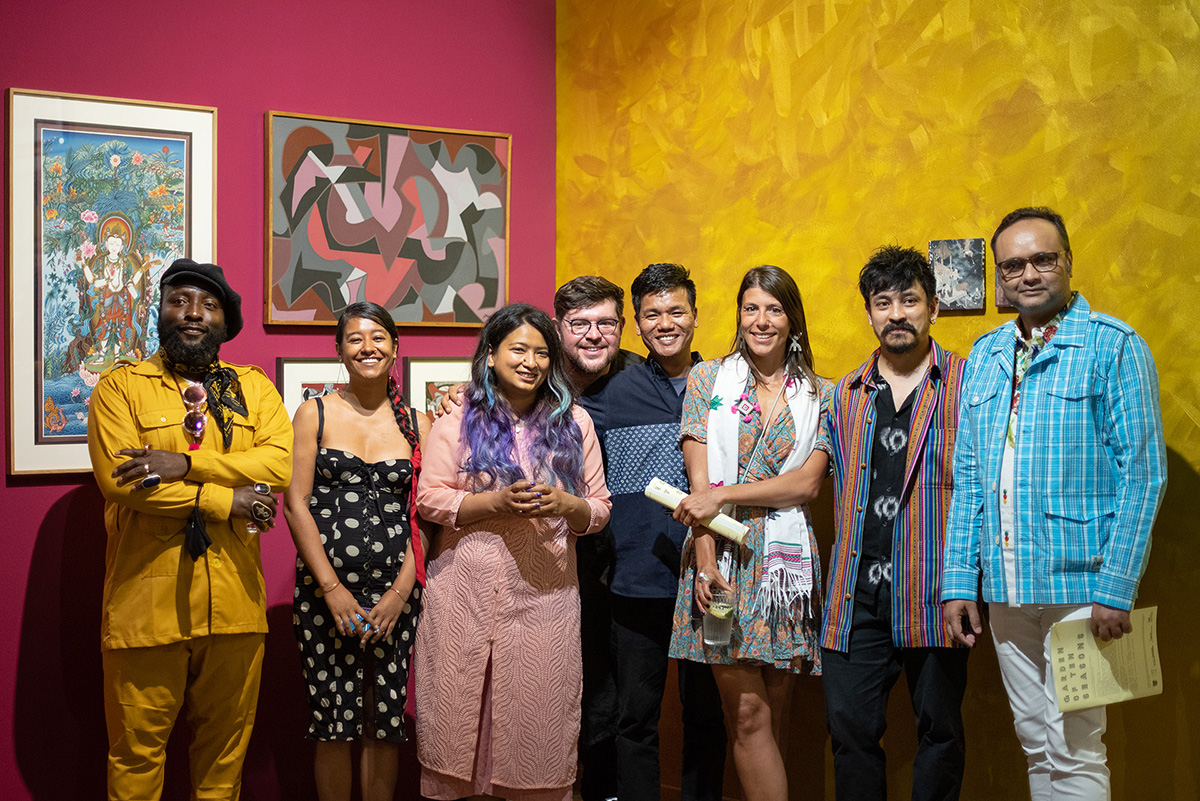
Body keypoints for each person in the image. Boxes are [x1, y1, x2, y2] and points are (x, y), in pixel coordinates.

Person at [942, 207, 1167, 800]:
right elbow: (968, 478)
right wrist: (960, 581)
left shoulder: (1113, 346)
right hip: (1008, 588)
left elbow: (1143, 475)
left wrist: (1115, 589)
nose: (1029, 274)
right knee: (1035, 740)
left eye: (1044, 259)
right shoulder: (987, 353)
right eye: (1013, 265)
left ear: (1068, 262)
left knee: (1076, 747)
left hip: (1081, 589)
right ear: (999, 277)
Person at [87, 258, 292, 800]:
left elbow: (277, 466)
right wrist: (229, 500)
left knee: (224, 766)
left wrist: (186, 465)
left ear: (226, 321)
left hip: (235, 610)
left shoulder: (254, 390)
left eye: (208, 304)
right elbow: (123, 484)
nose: (193, 314)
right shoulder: (120, 388)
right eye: (179, 300)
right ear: (160, 311)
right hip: (146, 607)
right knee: (135, 762)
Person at [436, 277, 642, 801]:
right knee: (464, 715)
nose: (530, 362)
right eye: (518, 350)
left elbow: (598, 508)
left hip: (548, 594)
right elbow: (429, 498)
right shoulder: (458, 417)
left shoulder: (573, 421)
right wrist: (495, 504)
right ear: (491, 355)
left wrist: (569, 505)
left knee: (540, 717)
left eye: (541, 353)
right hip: (465, 593)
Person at [670, 265, 830, 801]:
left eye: (775, 309)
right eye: (751, 308)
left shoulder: (821, 394)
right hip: (721, 554)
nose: (762, 321)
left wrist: (725, 495)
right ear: (739, 315)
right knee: (746, 715)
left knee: (775, 715)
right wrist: (705, 558)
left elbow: (807, 485)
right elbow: (699, 487)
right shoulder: (707, 380)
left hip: (785, 566)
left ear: (793, 319)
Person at [818, 246, 969, 801]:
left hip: (936, 590)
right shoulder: (846, 394)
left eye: (909, 300)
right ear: (870, 313)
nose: (897, 313)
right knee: (851, 736)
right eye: (884, 303)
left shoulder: (967, 384)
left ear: (932, 306)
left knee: (941, 733)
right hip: (855, 595)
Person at [283, 302, 431, 801]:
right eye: (354, 339)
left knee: (384, 720)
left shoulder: (419, 423)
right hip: (325, 597)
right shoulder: (315, 411)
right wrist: (332, 590)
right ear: (340, 350)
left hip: (397, 598)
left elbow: (427, 518)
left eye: (378, 338)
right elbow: (295, 504)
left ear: (395, 347)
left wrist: (399, 593)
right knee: (333, 720)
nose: (367, 347)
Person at [595, 264, 726, 801]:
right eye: (652, 314)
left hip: (713, 577)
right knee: (635, 717)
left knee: (708, 717)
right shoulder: (609, 389)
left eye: (676, 311)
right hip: (635, 578)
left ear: (695, 316)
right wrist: (462, 391)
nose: (665, 323)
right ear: (637, 324)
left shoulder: (723, 384)